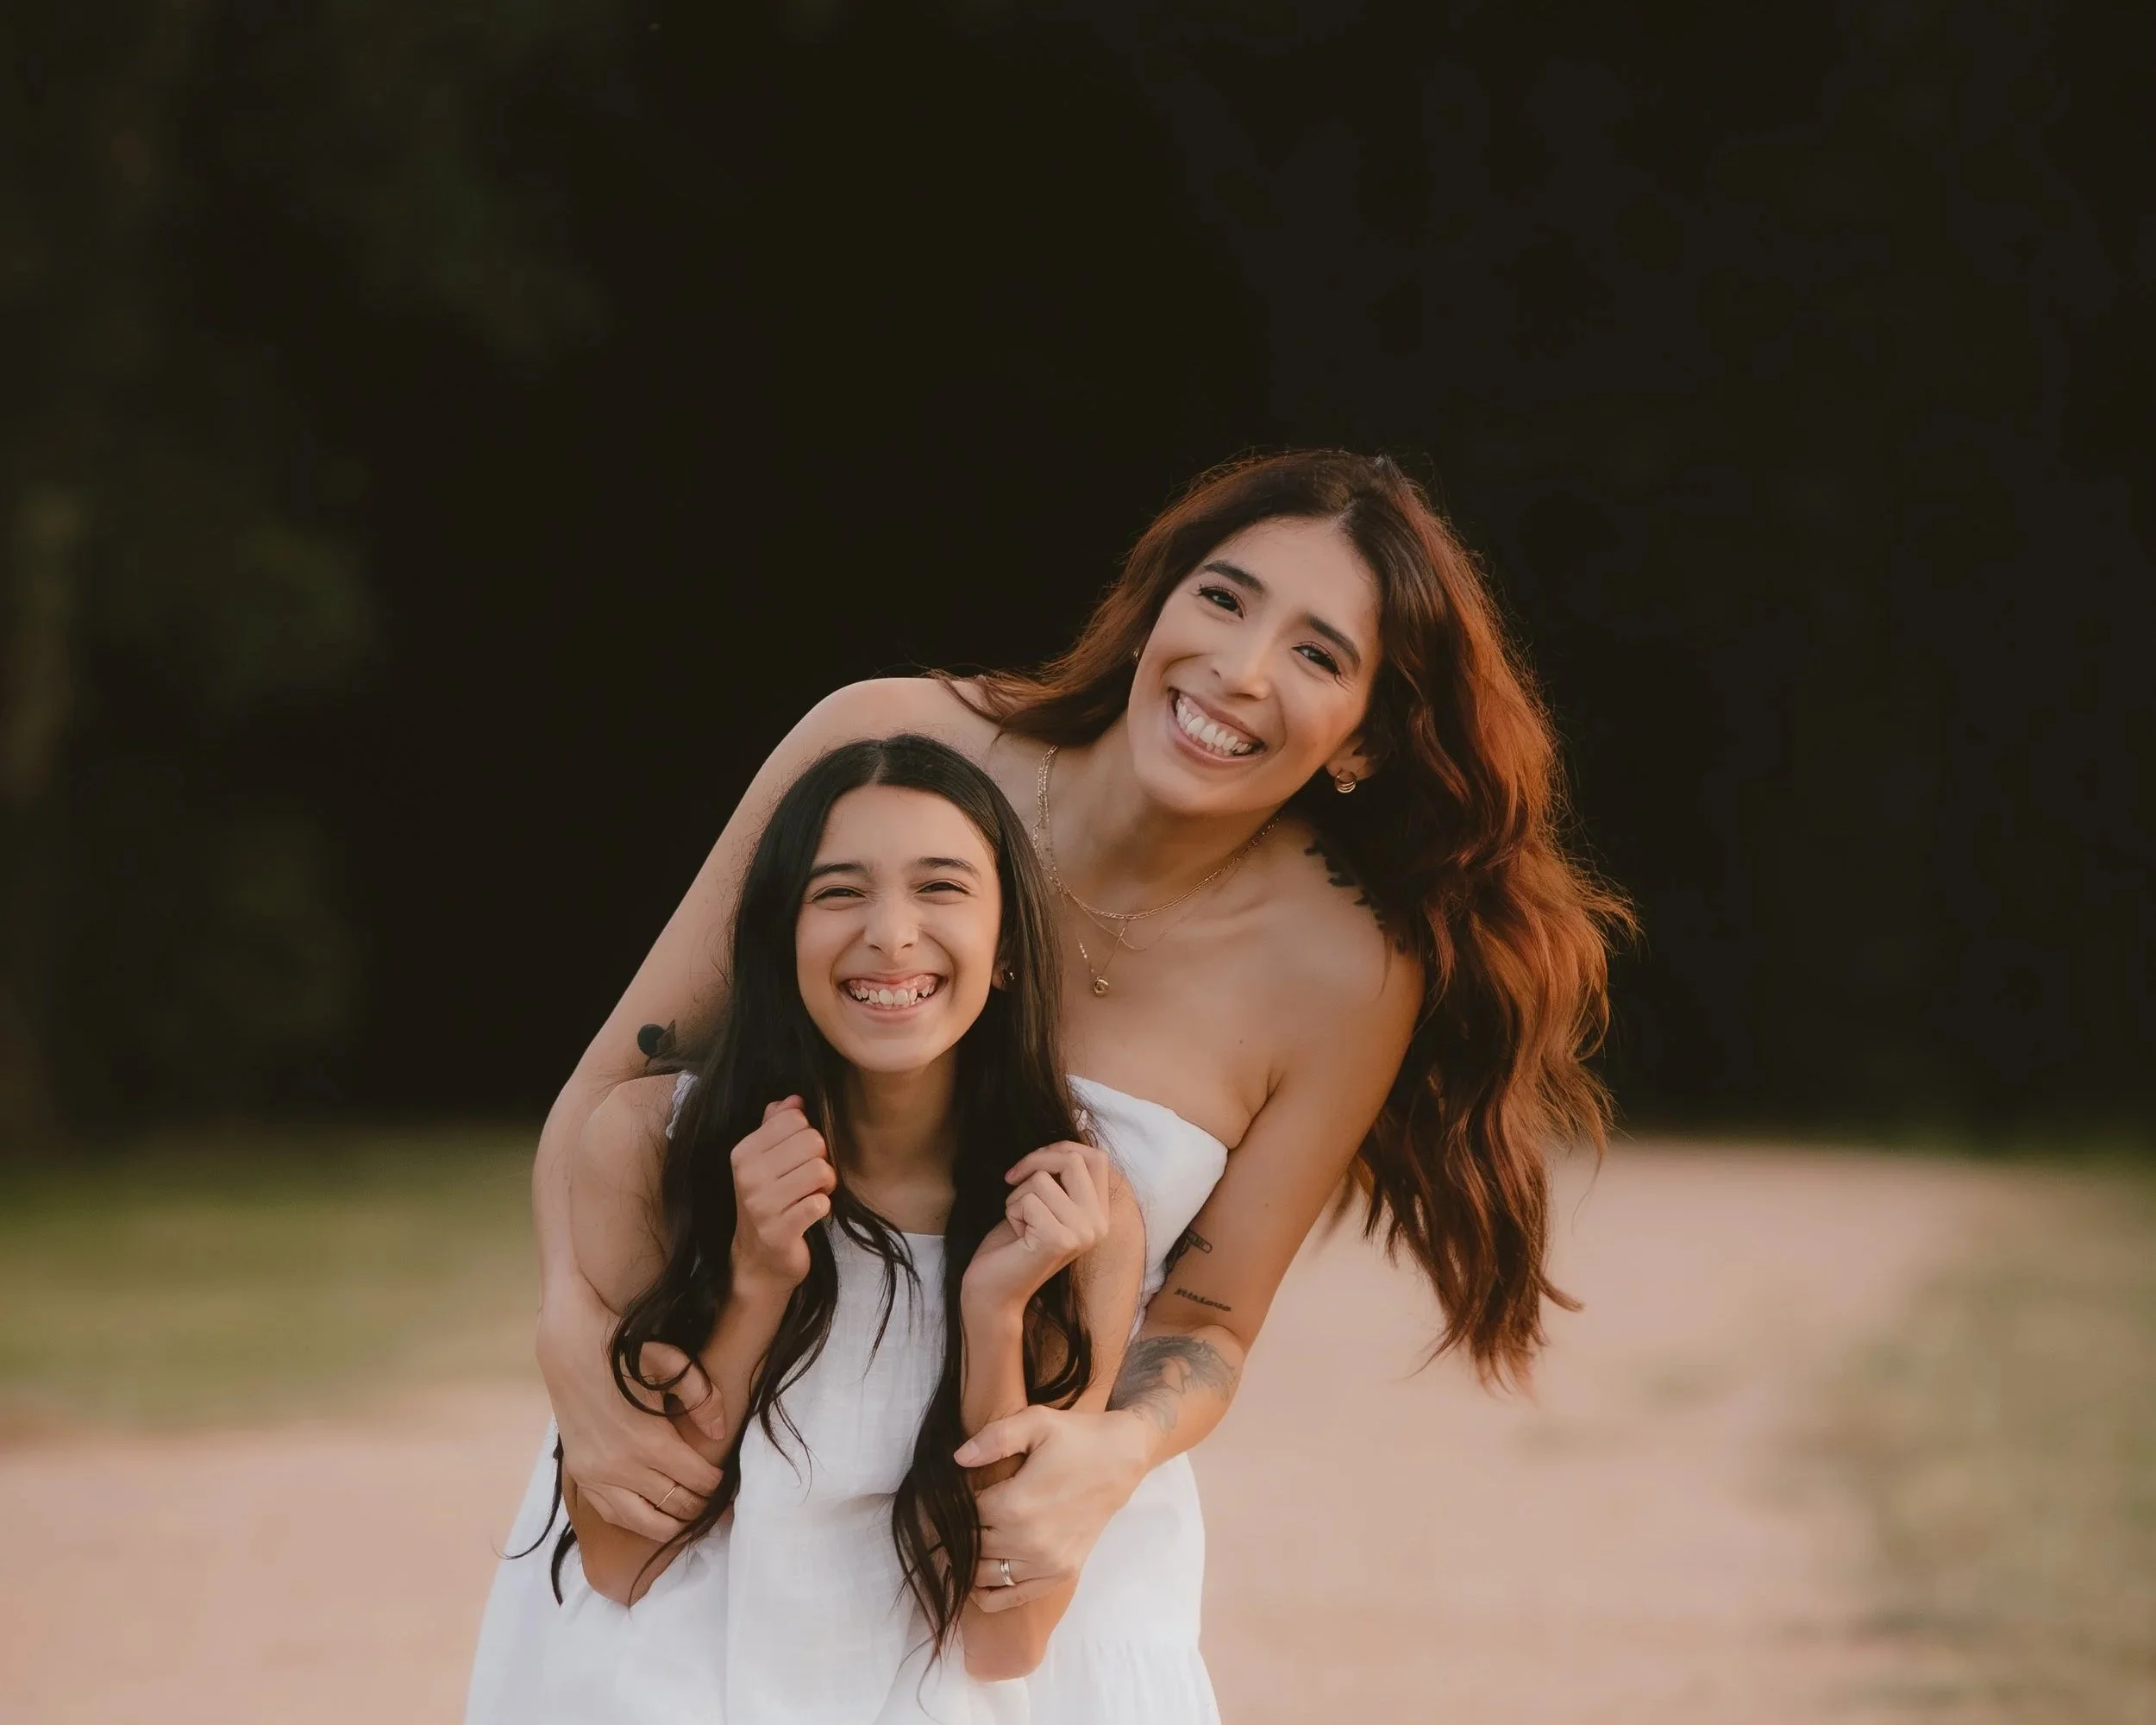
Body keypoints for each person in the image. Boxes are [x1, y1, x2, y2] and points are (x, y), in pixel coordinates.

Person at [514, 448, 1624, 1648]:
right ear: (1154, 605)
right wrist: (574, 1338)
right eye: (1223, 597)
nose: (1239, 671)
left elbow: (1207, 1317)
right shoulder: (884, 744)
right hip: (697, 1505)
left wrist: (1113, 1449)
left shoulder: (1346, 971)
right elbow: (616, 1091)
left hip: (1017, 1562)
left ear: (1363, 741)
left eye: (1318, 654)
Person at [470, 734, 1206, 1721]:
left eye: (940, 887)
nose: (891, 934)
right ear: (780, 942)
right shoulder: (652, 1146)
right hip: (680, 1685)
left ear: (1008, 954)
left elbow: (1005, 1635)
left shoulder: (1082, 1215)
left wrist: (994, 1311)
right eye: (839, 892)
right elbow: (620, 1558)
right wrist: (754, 1279)